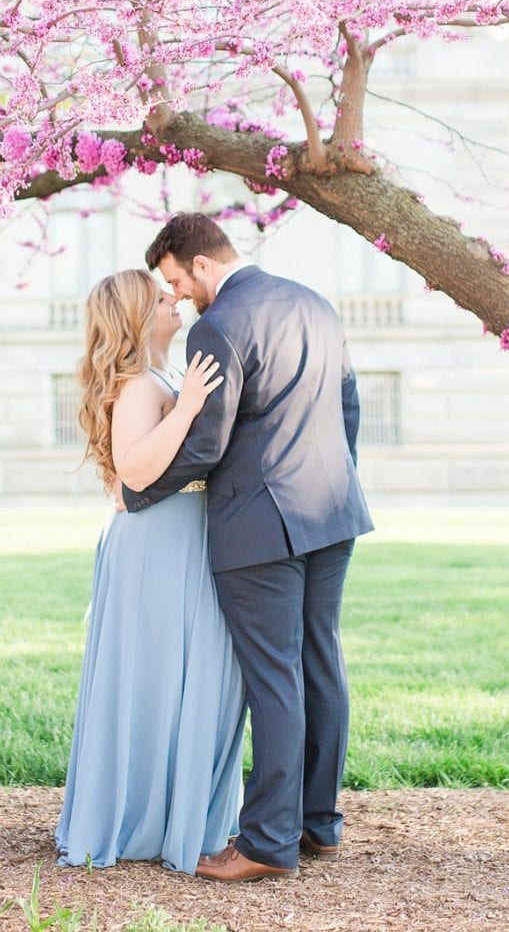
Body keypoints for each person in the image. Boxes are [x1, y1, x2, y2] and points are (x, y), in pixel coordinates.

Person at [123, 213, 372, 883]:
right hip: (333, 512)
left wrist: (137, 489)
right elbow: (349, 405)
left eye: (176, 280)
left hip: (260, 526)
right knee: (320, 662)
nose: (177, 297)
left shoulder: (219, 323)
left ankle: (266, 842)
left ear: (201, 264)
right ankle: (318, 825)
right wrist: (336, 480)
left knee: (274, 676)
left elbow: (205, 441)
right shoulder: (315, 304)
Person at [54, 269, 247, 875]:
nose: (175, 300)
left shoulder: (158, 375)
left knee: (181, 674)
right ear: (138, 316)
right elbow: (136, 472)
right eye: (162, 298)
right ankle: (146, 818)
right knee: (155, 676)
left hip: (180, 536)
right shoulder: (142, 384)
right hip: (157, 543)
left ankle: (176, 815)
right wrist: (189, 404)